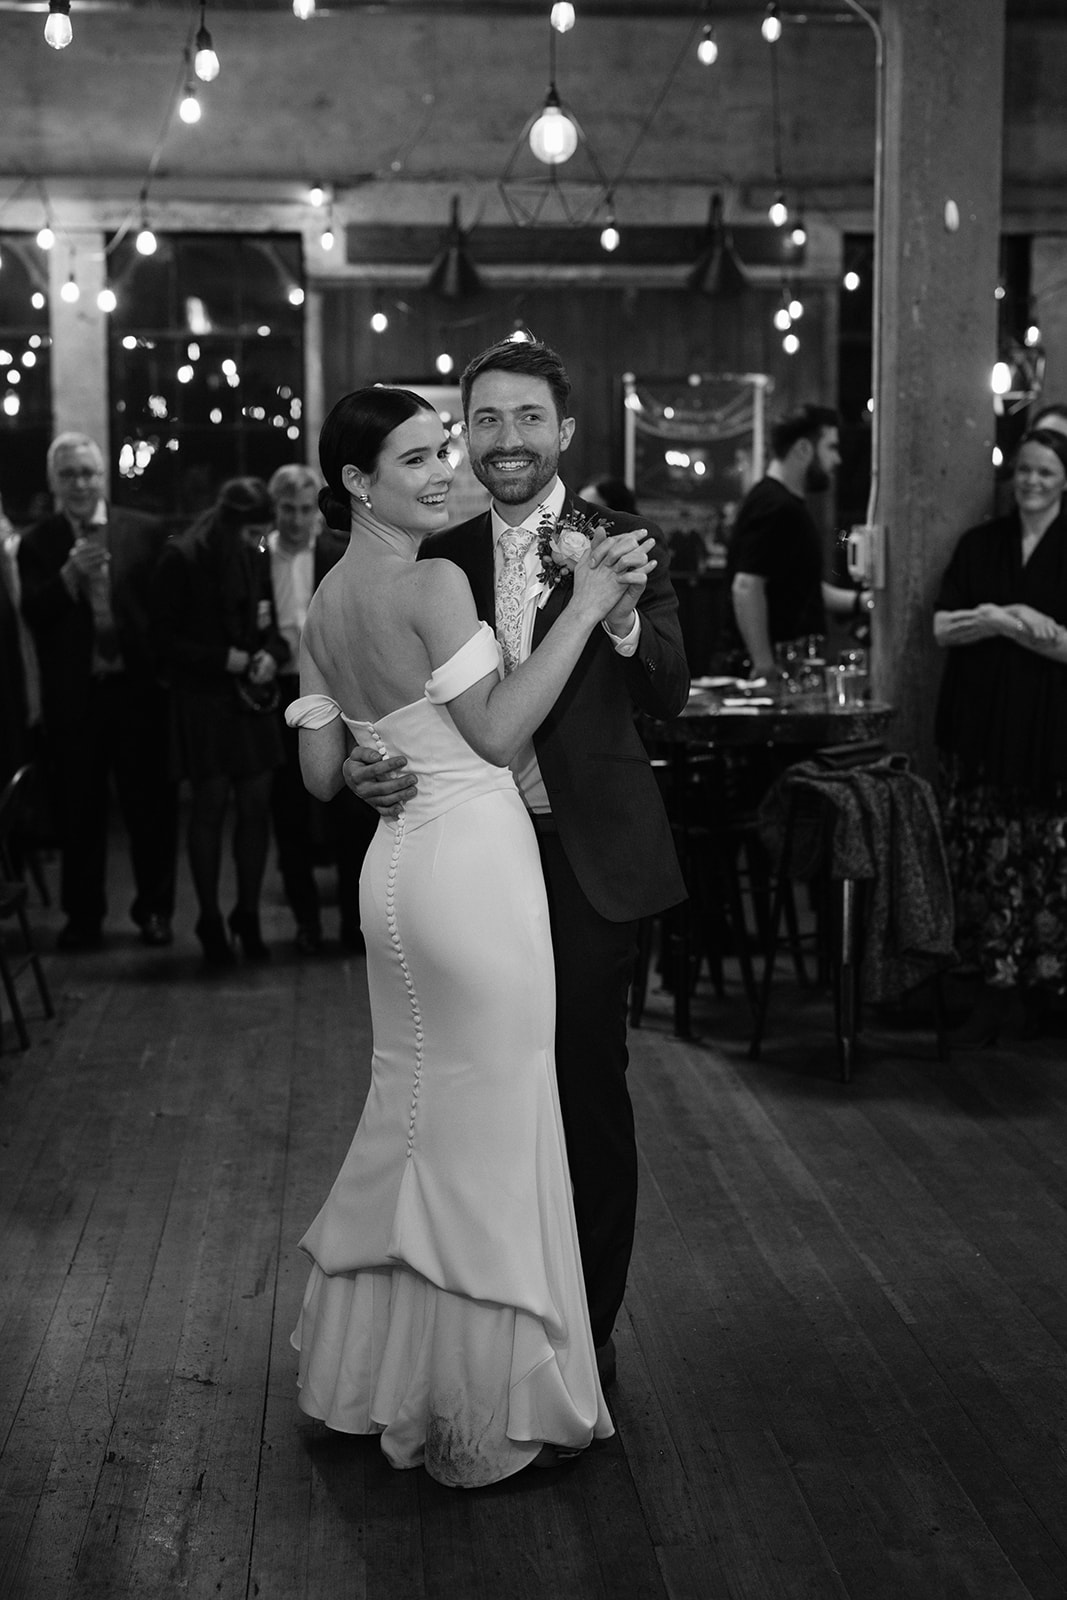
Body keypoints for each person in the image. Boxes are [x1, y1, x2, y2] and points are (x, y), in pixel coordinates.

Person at [286, 383, 658, 1486]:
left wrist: (362, 756)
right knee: (493, 1123)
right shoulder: (435, 574)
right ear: (360, 483)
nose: (447, 470)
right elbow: (494, 736)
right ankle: (491, 1393)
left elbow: (321, 772)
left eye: (442, 449)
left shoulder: (322, 601)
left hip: (395, 873)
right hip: (477, 871)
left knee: (412, 1107)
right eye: (419, 457)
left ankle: (376, 1375)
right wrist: (585, 604)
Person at [344, 338, 690, 1387]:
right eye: (483, 421)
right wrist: (368, 761)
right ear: (464, 433)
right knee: (475, 1091)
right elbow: (389, 696)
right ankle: (483, 1313)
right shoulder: (431, 553)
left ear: (564, 432)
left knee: (583, 1087)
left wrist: (618, 610)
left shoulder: (623, 543)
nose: (505, 441)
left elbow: (670, 687)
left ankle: (582, 1328)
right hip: (463, 858)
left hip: (584, 859)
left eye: (526, 419)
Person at [17, 433, 177, 949]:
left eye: (87, 473)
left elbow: (163, 615)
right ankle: (83, 917)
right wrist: (67, 576)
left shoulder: (145, 531)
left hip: (136, 693)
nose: (80, 484)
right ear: (53, 483)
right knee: (78, 812)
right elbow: (34, 615)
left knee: (148, 810)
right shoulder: (37, 542)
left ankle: (155, 911)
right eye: (69, 475)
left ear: (103, 475)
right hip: (76, 698)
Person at [934, 426, 1067, 1045]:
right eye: (1025, 471)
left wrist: (998, 619)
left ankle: (1048, 989)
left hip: (1050, 732)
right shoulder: (981, 543)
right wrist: (1027, 625)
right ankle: (989, 982)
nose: (1032, 482)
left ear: (1065, 478)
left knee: (1046, 857)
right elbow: (942, 629)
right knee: (986, 855)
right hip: (983, 724)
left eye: (1045, 472)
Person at [152, 478, 289, 968]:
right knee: (208, 806)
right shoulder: (183, 558)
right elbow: (162, 642)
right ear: (229, 522)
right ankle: (209, 918)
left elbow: (270, 625)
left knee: (256, 804)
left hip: (249, 700)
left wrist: (271, 655)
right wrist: (223, 660)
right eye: (252, 530)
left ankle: (247, 915)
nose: (259, 540)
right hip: (204, 699)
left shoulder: (254, 553)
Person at [266, 463, 371, 953]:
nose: (295, 518)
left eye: (305, 509)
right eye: (286, 508)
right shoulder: (256, 557)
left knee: (348, 814)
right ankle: (306, 921)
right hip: (275, 694)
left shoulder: (336, 554)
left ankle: (353, 924)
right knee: (288, 813)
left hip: (336, 692)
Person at [727, 403, 872, 678]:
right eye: (831, 447)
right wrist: (764, 665)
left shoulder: (781, 502)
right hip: (770, 669)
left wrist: (861, 601)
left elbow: (802, 586)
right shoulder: (776, 506)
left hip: (790, 664)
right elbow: (746, 586)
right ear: (803, 449)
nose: (838, 460)